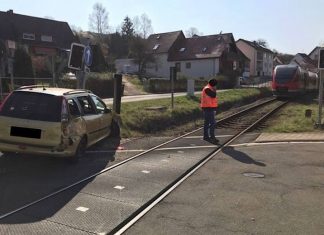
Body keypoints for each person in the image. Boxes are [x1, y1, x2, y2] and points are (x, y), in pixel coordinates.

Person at [200, 78, 219, 143]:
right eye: (215, 85)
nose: (216, 86)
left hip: (209, 107)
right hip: (208, 108)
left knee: (207, 123)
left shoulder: (208, 88)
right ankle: (212, 137)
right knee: (212, 123)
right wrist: (214, 89)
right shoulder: (207, 88)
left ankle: (206, 137)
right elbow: (213, 96)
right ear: (214, 84)